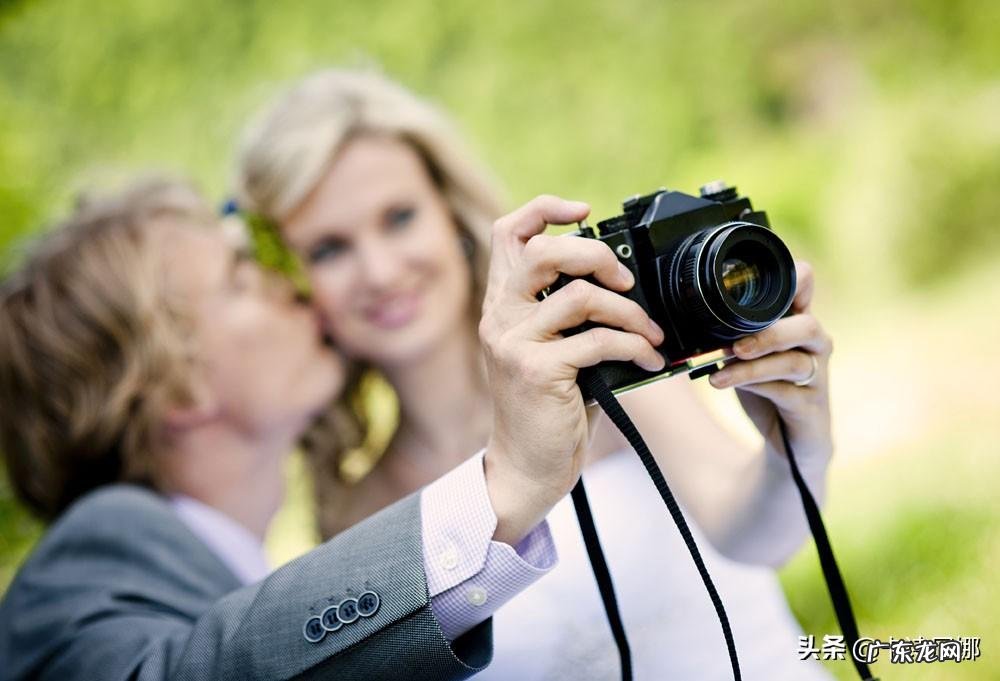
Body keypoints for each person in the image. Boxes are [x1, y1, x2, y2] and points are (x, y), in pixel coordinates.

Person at [234, 68, 836, 679]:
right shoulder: (355, 513)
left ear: (451, 215)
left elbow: (760, 540)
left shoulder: (595, 358)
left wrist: (797, 447)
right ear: (294, 283)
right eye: (329, 249)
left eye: (398, 218)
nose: (381, 271)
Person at [0, 177, 663, 680]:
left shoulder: (231, 568)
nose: (291, 287)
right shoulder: (87, 558)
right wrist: (509, 482)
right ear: (177, 385)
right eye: (240, 278)